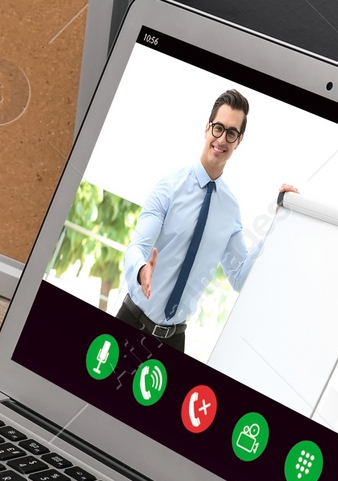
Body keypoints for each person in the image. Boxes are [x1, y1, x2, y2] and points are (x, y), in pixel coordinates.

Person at [117, 88, 297, 353]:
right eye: (218, 128)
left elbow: (238, 277)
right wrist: (142, 268)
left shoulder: (231, 209)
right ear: (207, 128)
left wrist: (276, 223)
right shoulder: (168, 188)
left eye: (231, 133)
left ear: (239, 141)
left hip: (174, 340)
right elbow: (137, 247)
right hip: (131, 321)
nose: (222, 139)